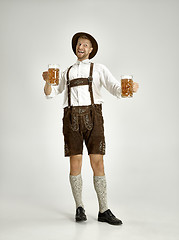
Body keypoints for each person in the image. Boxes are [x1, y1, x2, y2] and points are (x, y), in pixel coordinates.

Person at [42, 32, 139, 225]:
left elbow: (115, 89)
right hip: (71, 119)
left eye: (86, 45)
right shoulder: (67, 71)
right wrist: (46, 80)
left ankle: (104, 209)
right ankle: (80, 207)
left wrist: (130, 89)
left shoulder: (99, 68)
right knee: (75, 165)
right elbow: (50, 94)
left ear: (91, 49)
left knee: (98, 163)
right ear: (75, 47)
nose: (81, 47)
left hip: (94, 117)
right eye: (79, 44)